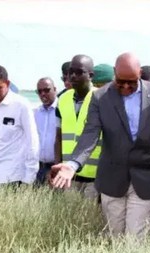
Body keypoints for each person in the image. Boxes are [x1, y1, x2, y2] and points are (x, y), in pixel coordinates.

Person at [50, 53, 150, 240]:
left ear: (140, 74)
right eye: (120, 82)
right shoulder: (101, 97)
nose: (126, 87)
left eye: (132, 82)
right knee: (115, 237)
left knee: (136, 241)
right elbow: (90, 134)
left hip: (147, 180)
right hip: (113, 181)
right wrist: (72, 165)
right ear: (114, 74)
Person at [0, 65, 39, 185]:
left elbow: (32, 142)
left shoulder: (21, 105)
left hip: (15, 177)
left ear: (7, 83)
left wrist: (29, 179)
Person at [55, 54, 102, 199]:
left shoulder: (101, 98)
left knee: (89, 220)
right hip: (69, 175)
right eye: (70, 72)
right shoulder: (63, 99)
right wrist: (58, 167)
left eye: (79, 72)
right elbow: (59, 137)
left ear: (90, 75)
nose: (73, 76)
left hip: (95, 176)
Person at [34, 77, 58, 185]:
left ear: (55, 89)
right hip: (38, 168)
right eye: (39, 91)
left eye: (47, 90)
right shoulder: (35, 113)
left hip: (56, 167)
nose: (43, 94)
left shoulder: (62, 110)